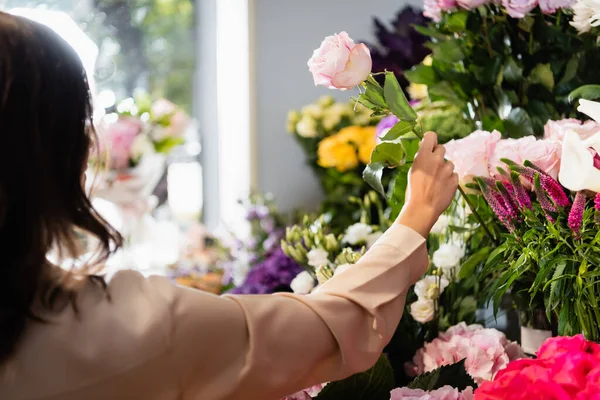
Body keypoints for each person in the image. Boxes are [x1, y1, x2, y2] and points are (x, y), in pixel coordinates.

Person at [0, 11, 458, 400]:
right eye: (84, 121)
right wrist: (413, 219)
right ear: (56, 156)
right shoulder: (123, 328)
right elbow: (322, 330)